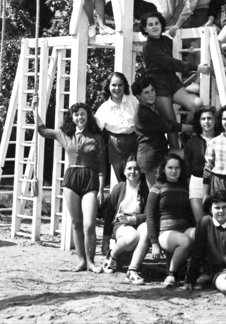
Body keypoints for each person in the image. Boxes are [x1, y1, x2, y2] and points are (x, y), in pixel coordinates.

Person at [32, 98, 105, 273]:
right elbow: (42, 131)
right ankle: (81, 261)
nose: (79, 117)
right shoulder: (64, 135)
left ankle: (91, 262)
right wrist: (35, 110)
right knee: (76, 223)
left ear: (88, 116)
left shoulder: (97, 138)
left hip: (90, 179)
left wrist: (101, 190)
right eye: (76, 115)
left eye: (83, 114)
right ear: (72, 117)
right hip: (71, 179)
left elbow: (102, 168)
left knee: (89, 224)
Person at [140, 11, 207, 148]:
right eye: (150, 25)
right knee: (171, 124)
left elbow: (180, 50)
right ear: (145, 29)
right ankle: (175, 155)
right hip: (158, 86)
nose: (154, 27)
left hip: (172, 81)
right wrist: (196, 67)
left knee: (197, 104)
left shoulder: (166, 40)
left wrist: (189, 50)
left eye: (157, 23)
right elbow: (170, 62)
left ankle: (186, 134)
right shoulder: (149, 47)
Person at [146, 153, 196, 287]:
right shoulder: (157, 188)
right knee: (185, 241)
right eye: (170, 168)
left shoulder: (186, 188)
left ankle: (197, 273)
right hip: (166, 234)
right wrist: (154, 243)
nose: (174, 171)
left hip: (185, 229)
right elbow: (150, 217)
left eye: (177, 168)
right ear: (163, 169)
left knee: (201, 233)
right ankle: (171, 274)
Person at [132, 75, 193, 186]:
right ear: (138, 96)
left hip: (161, 153)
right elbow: (168, 126)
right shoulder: (143, 113)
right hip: (150, 159)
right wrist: (193, 128)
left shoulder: (151, 107)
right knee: (156, 193)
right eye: (146, 92)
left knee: (189, 154)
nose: (151, 95)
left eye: (152, 90)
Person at [101, 156, 150, 285]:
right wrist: (105, 240)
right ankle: (112, 256)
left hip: (137, 220)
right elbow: (109, 215)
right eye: (129, 168)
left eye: (136, 169)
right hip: (121, 222)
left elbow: (148, 214)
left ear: (141, 172)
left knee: (146, 230)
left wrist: (133, 220)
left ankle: (132, 270)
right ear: (124, 171)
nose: (132, 171)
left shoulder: (145, 189)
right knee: (132, 237)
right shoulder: (118, 188)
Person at [95, 72, 138, 182]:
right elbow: (94, 129)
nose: (117, 88)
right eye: (114, 85)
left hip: (134, 141)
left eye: (120, 85)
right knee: (121, 179)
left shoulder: (133, 101)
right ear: (108, 86)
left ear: (125, 86)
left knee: (135, 176)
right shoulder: (104, 108)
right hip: (115, 144)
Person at [184, 105, 220, 223]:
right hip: (197, 183)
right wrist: (191, 186)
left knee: (217, 221)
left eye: (209, 118)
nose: (207, 122)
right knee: (201, 223)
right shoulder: (191, 143)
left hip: (218, 182)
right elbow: (188, 167)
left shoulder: (222, 139)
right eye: (203, 119)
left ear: (215, 120)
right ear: (199, 122)